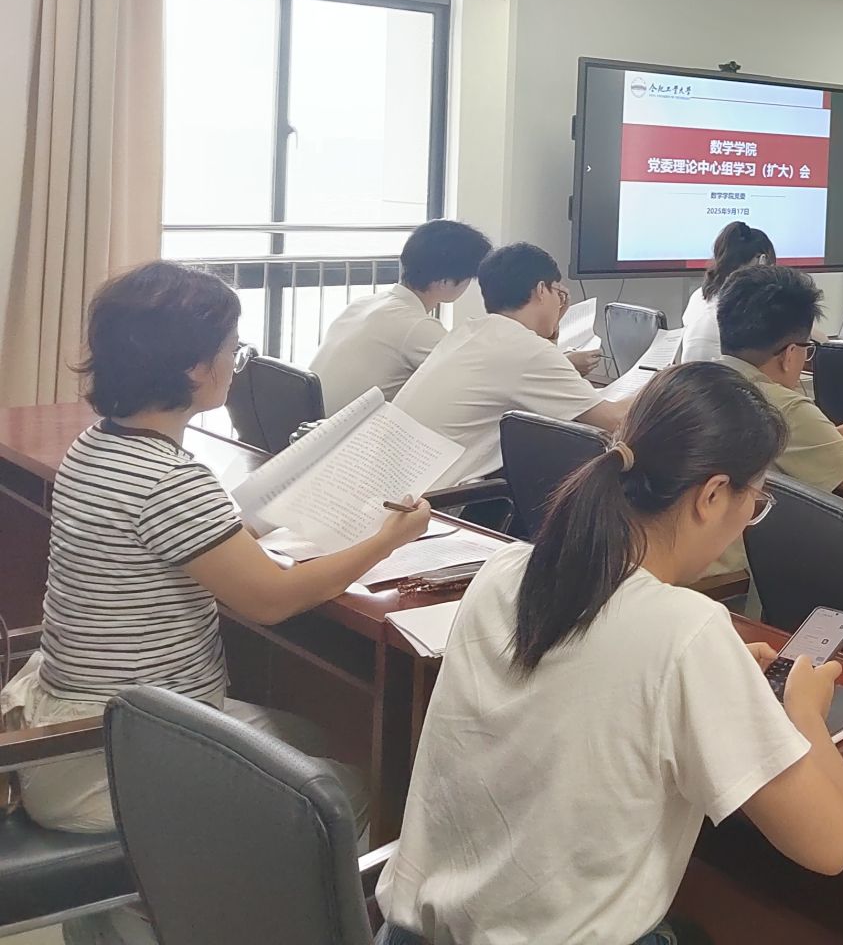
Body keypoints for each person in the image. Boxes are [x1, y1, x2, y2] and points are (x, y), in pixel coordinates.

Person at [0, 262, 430, 945]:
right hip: (106, 756)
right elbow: (271, 600)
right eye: (234, 348)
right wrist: (388, 540)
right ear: (196, 367)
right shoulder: (168, 479)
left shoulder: (98, 444)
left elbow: (185, 538)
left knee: (313, 741)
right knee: (348, 792)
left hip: (77, 724)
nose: (237, 361)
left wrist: (246, 526)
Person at [375, 362, 843, 945]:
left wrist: (718, 677)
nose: (746, 523)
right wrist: (805, 712)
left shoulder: (506, 570)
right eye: (753, 503)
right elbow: (829, 844)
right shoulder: (685, 630)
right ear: (711, 496)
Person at [711, 265, 843, 580]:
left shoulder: (696, 379)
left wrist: (837, 436)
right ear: (790, 354)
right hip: (735, 581)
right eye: (807, 350)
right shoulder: (781, 404)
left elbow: (768, 449)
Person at [395, 242, 626, 485]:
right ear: (541, 290)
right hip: (438, 500)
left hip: (400, 488)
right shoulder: (524, 348)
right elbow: (614, 421)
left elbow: (535, 378)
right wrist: (653, 383)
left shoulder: (470, 332)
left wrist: (551, 329)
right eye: (558, 292)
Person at [310, 219, 493, 412]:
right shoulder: (416, 326)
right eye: (468, 279)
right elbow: (472, 380)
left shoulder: (363, 304)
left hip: (306, 426)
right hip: (345, 428)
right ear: (445, 282)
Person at [680, 221, 777, 364]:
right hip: (722, 376)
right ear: (762, 262)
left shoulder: (698, 295)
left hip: (690, 375)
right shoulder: (745, 306)